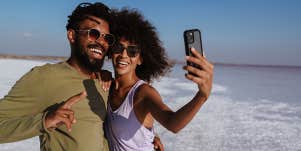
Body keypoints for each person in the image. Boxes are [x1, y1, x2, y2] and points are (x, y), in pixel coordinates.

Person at [0, 2, 115, 151]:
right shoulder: (44, 77)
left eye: (107, 38)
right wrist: (44, 122)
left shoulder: (104, 82)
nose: (101, 42)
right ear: (72, 35)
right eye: (93, 34)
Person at [104, 8, 214, 151]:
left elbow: (172, 123)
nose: (124, 55)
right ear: (111, 51)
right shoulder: (106, 86)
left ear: (140, 59)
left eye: (132, 51)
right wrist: (152, 135)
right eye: (119, 47)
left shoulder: (143, 94)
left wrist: (202, 96)